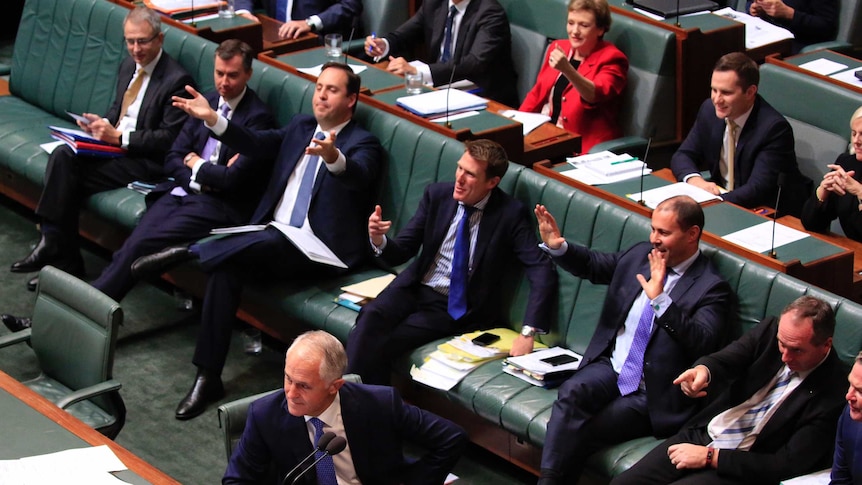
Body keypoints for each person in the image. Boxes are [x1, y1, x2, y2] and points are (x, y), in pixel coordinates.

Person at [131, 63, 383, 419]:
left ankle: (188, 251)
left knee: (270, 240)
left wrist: (333, 157)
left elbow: (359, 175)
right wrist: (213, 120)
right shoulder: (300, 127)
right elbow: (256, 143)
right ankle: (208, 375)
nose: (322, 94)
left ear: (351, 100)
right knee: (227, 267)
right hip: (270, 237)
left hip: (322, 251)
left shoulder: (362, 142)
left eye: (333, 89)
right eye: (319, 87)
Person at [0, 40, 275, 333]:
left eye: (232, 75)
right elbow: (173, 156)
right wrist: (199, 174)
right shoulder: (203, 100)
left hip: (216, 207)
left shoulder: (258, 119)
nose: (224, 82)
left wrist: (195, 165)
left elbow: (230, 182)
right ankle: (62, 320)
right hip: (179, 193)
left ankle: (52, 325)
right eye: (219, 73)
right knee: (129, 251)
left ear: (248, 74)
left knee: (136, 250)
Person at [534, 195, 734, 484]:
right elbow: (595, 265)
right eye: (653, 229)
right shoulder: (641, 255)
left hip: (651, 391)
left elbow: (702, 341)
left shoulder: (711, 287)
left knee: (584, 428)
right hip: (612, 367)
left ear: (692, 235)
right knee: (571, 394)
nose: (654, 238)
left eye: (664, 232)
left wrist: (660, 300)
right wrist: (558, 247)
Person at [346, 139, 557, 385]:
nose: (459, 178)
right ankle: (357, 402)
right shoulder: (437, 196)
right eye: (459, 168)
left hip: (453, 306)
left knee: (381, 341)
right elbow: (403, 249)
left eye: (470, 174)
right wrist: (379, 240)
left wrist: (528, 332)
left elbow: (541, 268)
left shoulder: (509, 214)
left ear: (492, 182)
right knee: (369, 317)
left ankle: (356, 405)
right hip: (414, 288)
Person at [8, 6, 193, 287]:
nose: (135, 48)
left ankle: (55, 246)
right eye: (130, 41)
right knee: (62, 155)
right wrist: (100, 124)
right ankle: (60, 252)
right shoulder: (127, 66)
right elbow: (118, 111)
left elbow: (169, 140)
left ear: (160, 39)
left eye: (142, 41)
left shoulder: (177, 80)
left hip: (146, 161)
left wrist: (118, 138)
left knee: (66, 177)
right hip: (114, 148)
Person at [612, 295, 848, 485]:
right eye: (781, 344)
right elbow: (727, 359)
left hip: (742, 465)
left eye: (796, 350)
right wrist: (703, 370)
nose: (785, 356)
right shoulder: (769, 332)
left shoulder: (836, 391)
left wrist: (711, 457)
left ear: (826, 344)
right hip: (704, 434)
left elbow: (786, 464)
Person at [224, 330, 467, 484]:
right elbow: (236, 480)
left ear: (334, 385)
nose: (290, 393)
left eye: (304, 386)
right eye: (288, 378)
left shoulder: (380, 404)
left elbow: (452, 437)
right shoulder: (264, 415)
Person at [670, 52, 810, 216]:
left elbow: (757, 188)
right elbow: (683, 155)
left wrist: (712, 203)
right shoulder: (709, 110)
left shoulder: (773, 129)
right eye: (714, 90)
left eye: (726, 93)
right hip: (726, 201)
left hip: (768, 212)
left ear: (750, 92)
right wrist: (695, 180)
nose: (717, 99)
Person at [519, 0, 628, 153]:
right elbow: (537, 93)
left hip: (582, 147)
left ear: (601, 29)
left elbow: (595, 94)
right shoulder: (558, 47)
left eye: (583, 25)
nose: (574, 31)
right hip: (545, 136)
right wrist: (515, 126)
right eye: (571, 23)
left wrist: (567, 70)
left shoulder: (612, 59)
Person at [363, 0, 518, 106]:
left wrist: (418, 72)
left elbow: (475, 62)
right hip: (440, 85)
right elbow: (407, 33)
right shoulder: (435, 3)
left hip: (481, 93)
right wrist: (384, 44)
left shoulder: (490, 13)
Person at [800, 107, 862, 242]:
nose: (856, 141)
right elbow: (811, 224)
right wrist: (822, 193)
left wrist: (860, 192)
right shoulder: (846, 164)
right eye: (854, 134)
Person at [233, 0, 361, 39]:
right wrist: (244, 12)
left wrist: (310, 23)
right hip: (273, 36)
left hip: (313, 39)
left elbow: (350, 5)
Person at [745, 0, 838, 54]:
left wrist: (790, 14)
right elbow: (750, 1)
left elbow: (826, 26)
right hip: (759, 33)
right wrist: (752, 8)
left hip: (795, 43)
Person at [831, 351, 862, 485]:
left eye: (860, 391)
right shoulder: (849, 418)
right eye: (851, 385)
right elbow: (841, 481)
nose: (849, 396)